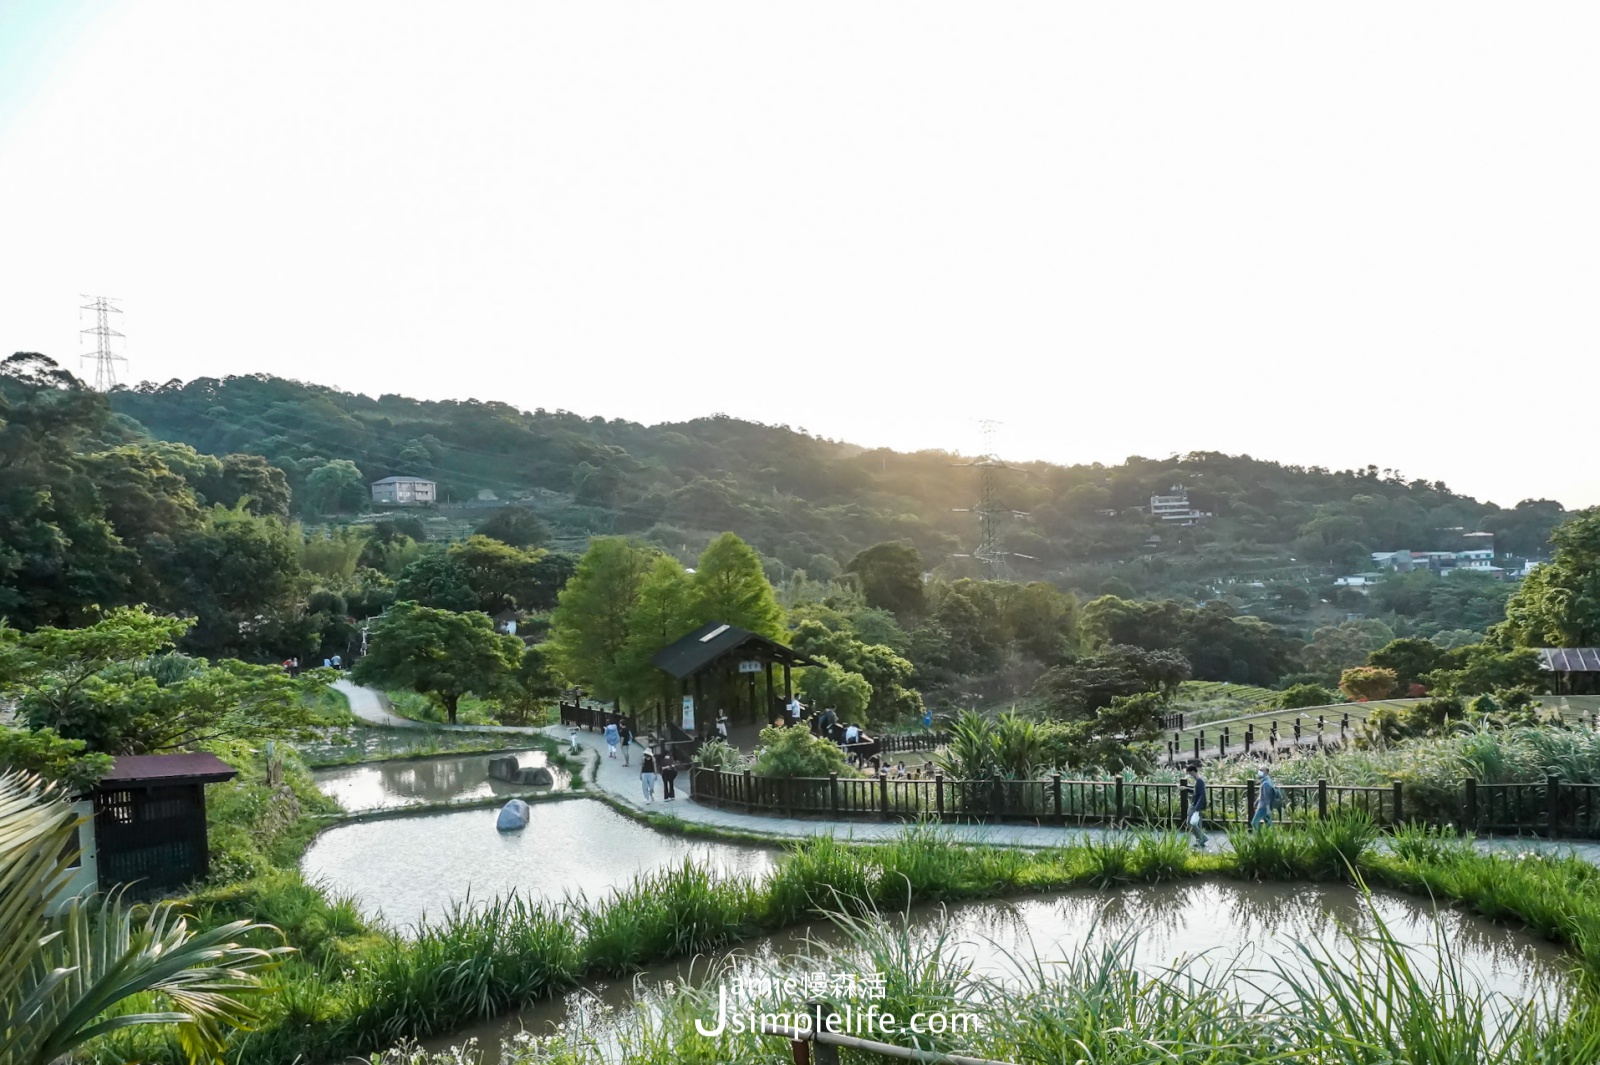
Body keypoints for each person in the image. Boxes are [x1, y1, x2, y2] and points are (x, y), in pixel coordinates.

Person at [1186, 764, 1209, 848]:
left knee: (1190, 822)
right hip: (1197, 804)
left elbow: (1202, 794)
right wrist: (1186, 788)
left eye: (1189, 773)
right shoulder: (1200, 780)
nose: (1189, 775)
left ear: (1193, 772)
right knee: (1197, 823)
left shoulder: (1199, 780)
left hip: (1196, 804)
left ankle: (1203, 837)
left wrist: (1197, 807)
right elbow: (1197, 792)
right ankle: (1200, 841)